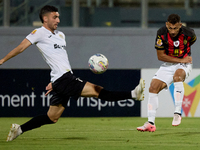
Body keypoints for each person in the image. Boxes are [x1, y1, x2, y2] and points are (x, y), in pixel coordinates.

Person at [2, 5, 145, 141]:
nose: (58, 20)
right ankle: (133, 94)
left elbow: (59, 59)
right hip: (64, 79)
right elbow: (20, 48)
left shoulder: (60, 35)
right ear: (45, 19)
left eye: (58, 17)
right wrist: (2, 60)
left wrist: (54, 81)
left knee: (52, 118)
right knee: (98, 91)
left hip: (61, 79)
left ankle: (19, 129)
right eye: (54, 17)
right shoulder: (39, 33)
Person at [137, 14, 196, 132]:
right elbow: (160, 56)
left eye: (175, 28)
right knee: (153, 87)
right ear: (166, 25)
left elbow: (190, 43)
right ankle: (150, 123)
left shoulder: (189, 34)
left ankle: (177, 113)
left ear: (180, 25)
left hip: (184, 64)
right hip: (168, 64)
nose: (173, 31)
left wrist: (183, 59)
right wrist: (180, 59)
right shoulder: (161, 33)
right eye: (170, 28)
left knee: (177, 76)